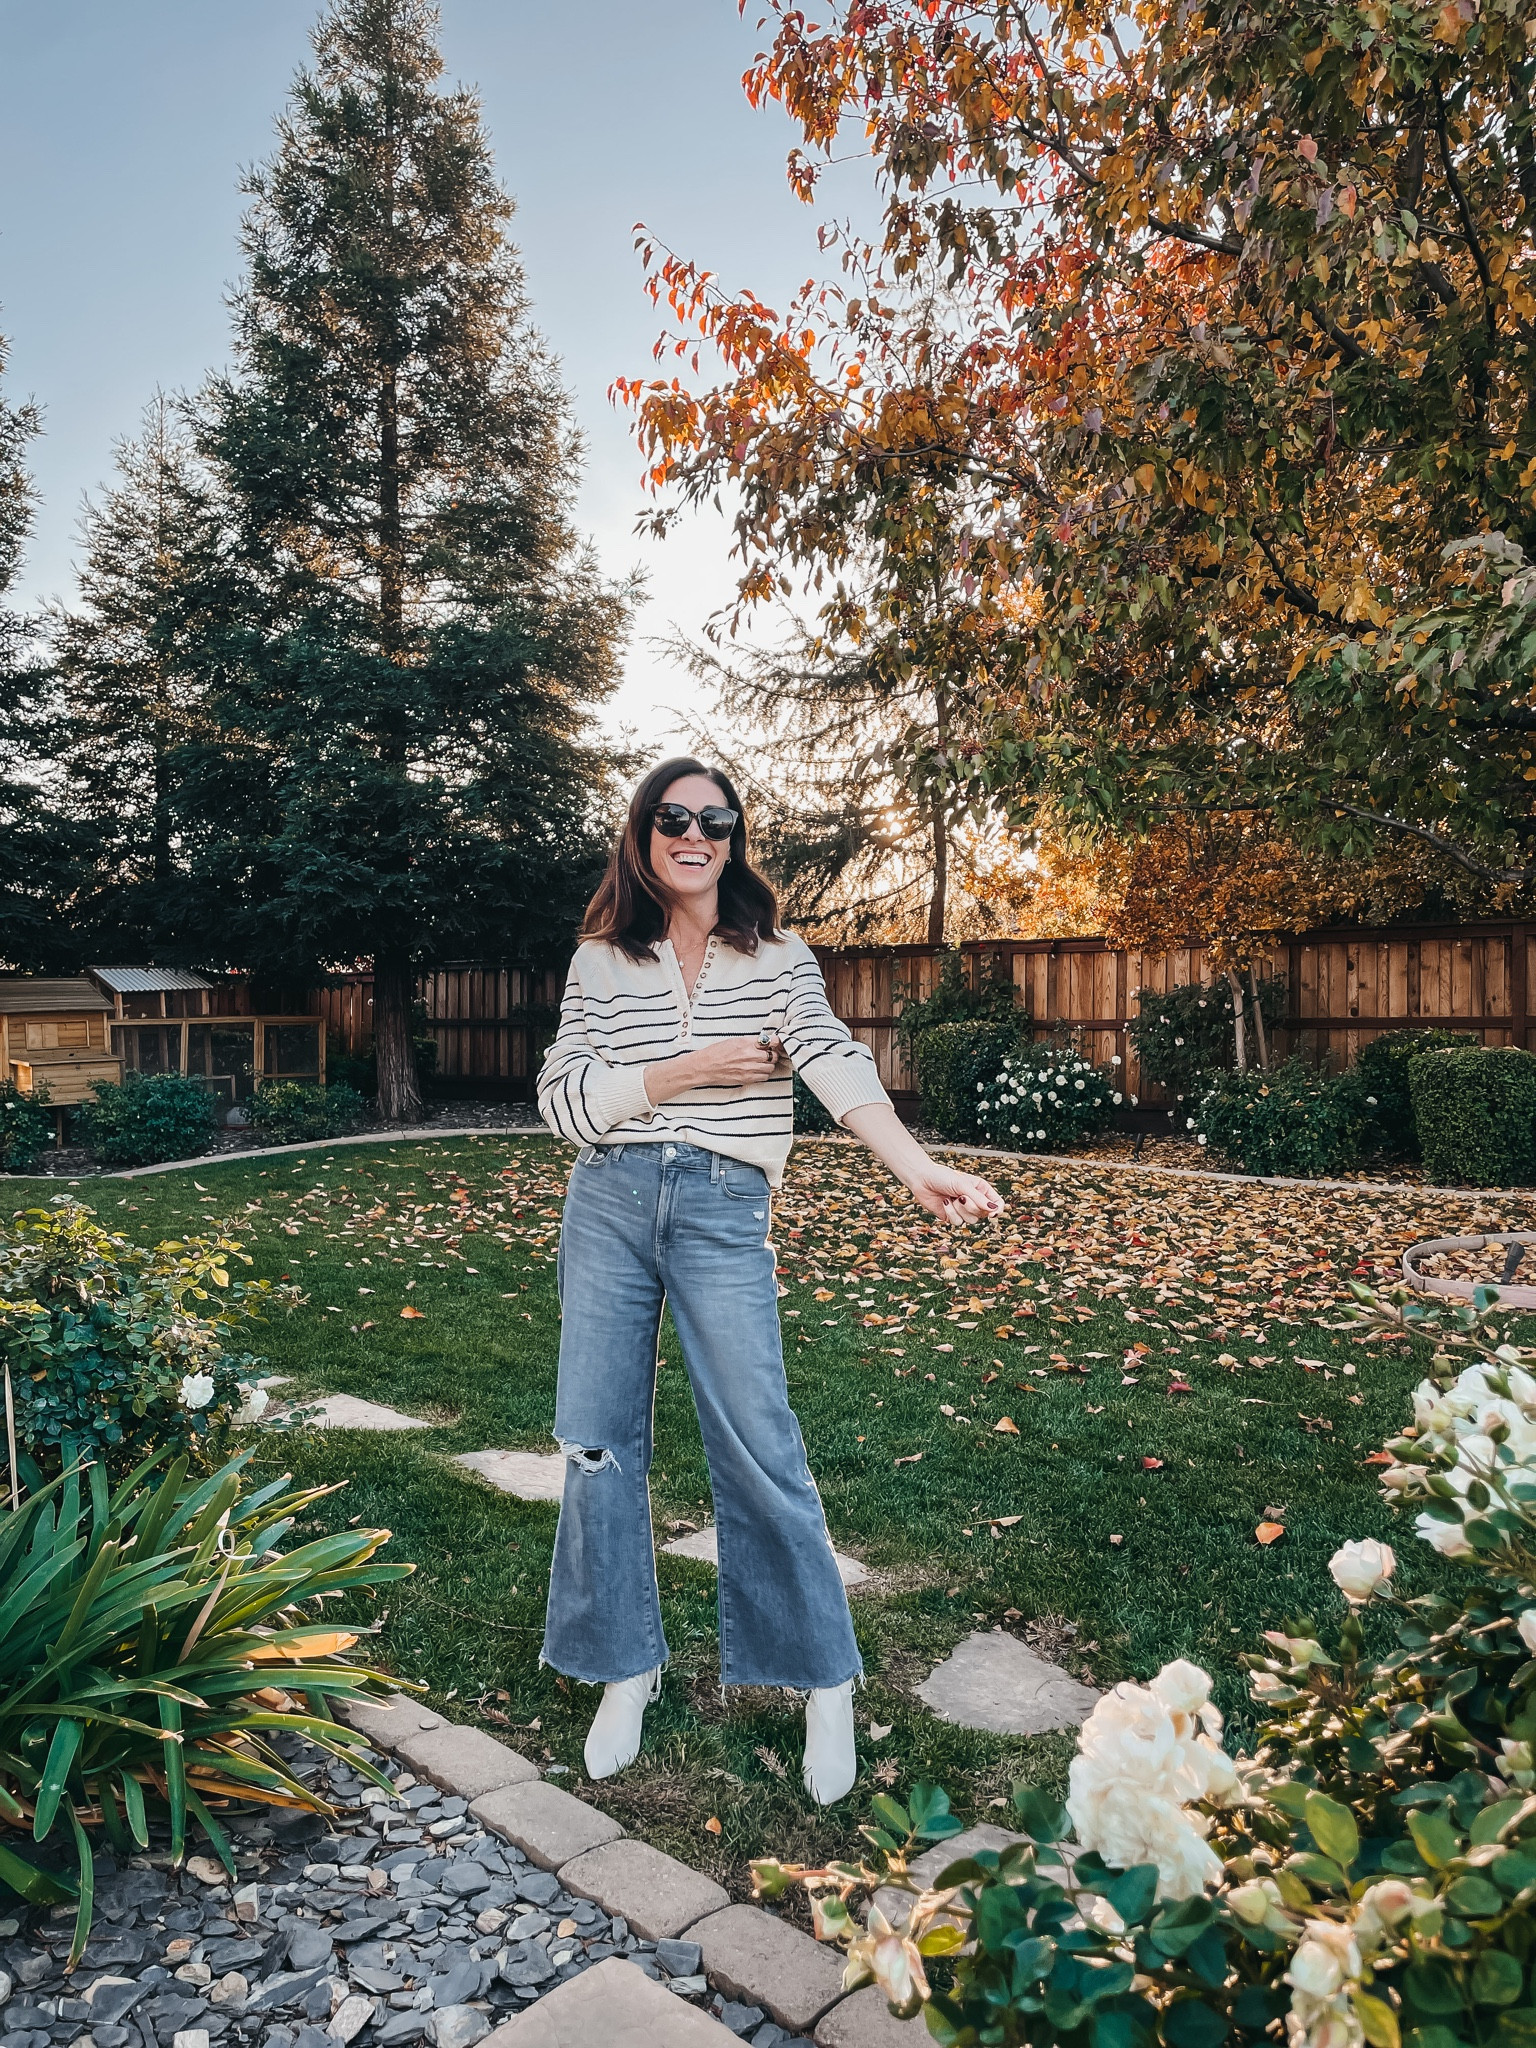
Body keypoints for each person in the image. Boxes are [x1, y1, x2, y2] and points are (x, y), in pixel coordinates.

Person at [535, 757, 1005, 1802]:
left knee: (760, 1441)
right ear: (643, 833)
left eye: (715, 818)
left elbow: (833, 1058)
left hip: (720, 1203)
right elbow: (563, 1102)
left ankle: (822, 1678)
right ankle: (627, 1663)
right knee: (598, 1439)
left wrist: (917, 1165)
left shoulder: (780, 955)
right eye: (673, 817)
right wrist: (683, 1071)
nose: (693, 833)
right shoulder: (599, 962)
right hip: (608, 1199)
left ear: (735, 836)